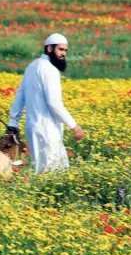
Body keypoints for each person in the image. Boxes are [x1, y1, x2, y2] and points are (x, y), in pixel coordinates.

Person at [6, 33, 84, 173]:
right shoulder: (50, 69)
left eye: (65, 50)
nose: (63, 54)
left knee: (42, 170)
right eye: (60, 50)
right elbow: (54, 103)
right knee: (54, 172)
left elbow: (20, 95)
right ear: (49, 48)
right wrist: (74, 126)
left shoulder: (32, 66)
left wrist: (13, 121)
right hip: (47, 128)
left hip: (33, 127)